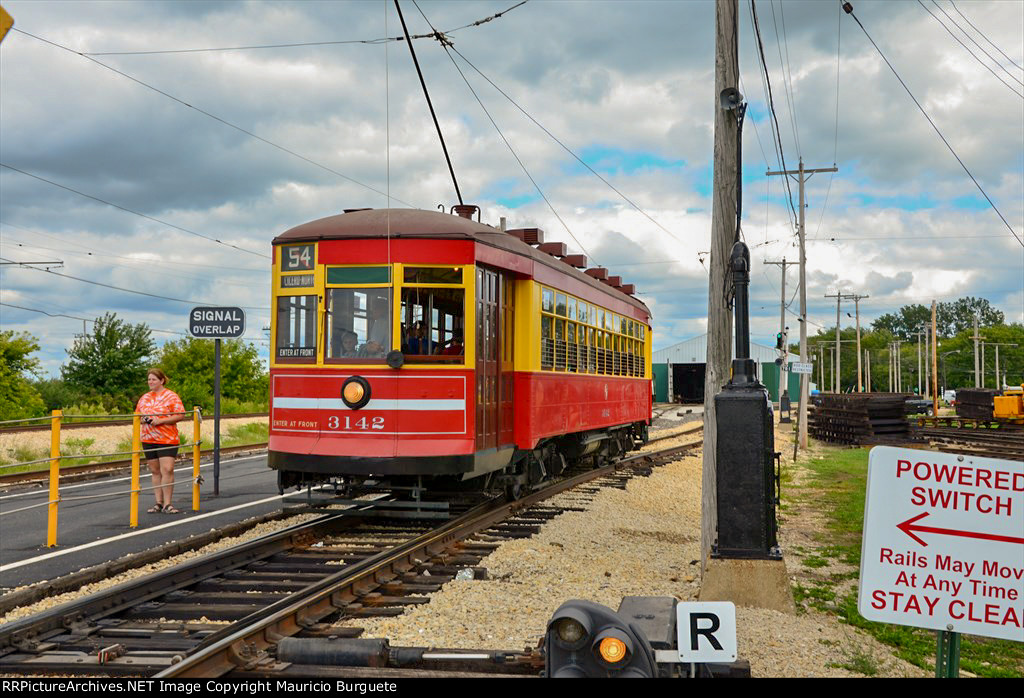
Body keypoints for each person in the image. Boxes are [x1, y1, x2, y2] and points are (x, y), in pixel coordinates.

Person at [136, 369, 187, 514]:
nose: (150, 382)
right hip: (148, 438)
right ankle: (158, 502)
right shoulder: (144, 398)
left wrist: (161, 421)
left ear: (161, 381)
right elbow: (137, 416)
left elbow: (180, 414)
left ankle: (168, 503)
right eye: (149, 379)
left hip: (167, 438)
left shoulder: (171, 396)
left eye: (153, 379)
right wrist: (145, 419)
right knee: (155, 470)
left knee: (167, 469)